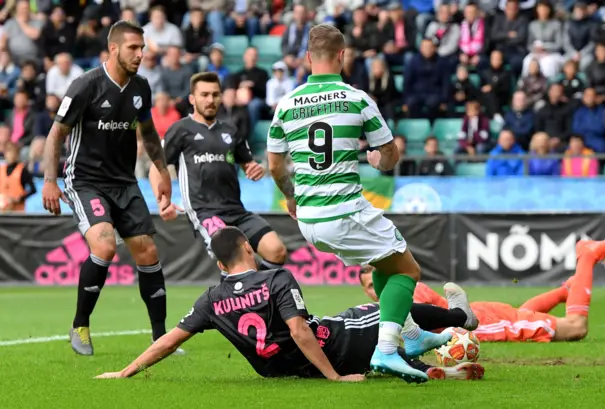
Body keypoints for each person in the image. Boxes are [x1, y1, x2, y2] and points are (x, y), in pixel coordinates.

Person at [266, 24, 470, 384]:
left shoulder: (286, 104)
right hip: (344, 210)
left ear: (308, 58)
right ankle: (387, 351)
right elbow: (390, 154)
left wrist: (291, 197)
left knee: (383, 261)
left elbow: (274, 165)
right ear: (342, 57)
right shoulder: (357, 98)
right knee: (408, 271)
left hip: (309, 217)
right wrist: (379, 162)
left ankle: (410, 333)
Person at [95, 227, 485, 381]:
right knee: (387, 309)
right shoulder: (275, 277)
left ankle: (427, 362)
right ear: (249, 248)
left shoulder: (211, 299)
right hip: (333, 346)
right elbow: (299, 329)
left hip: (282, 370)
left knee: (379, 336)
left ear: (218, 264)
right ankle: (459, 317)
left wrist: (126, 371)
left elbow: (170, 340)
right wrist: (334, 377)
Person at [40, 21, 176, 357]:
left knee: (147, 251)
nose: (141, 54)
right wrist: (49, 180)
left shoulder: (141, 88)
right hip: (85, 181)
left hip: (124, 182)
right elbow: (56, 134)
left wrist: (163, 171)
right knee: (104, 245)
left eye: (142, 48)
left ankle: (160, 338)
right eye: (133, 48)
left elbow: (147, 134)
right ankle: (80, 324)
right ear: (113, 48)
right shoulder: (85, 86)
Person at [149, 72, 288, 280]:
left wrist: (254, 168)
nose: (210, 100)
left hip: (237, 210)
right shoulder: (180, 130)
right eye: (204, 94)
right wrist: (162, 200)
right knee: (235, 259)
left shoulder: (231, 130)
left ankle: (254, 293)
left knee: (277, 251)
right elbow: (155, 166)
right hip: (205, 212)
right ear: (192, 99)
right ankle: (244, 302)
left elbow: (248, 163)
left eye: (215, 94)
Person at [360, 240, 605, 342]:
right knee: (524, 313)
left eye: (376, 282)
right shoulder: (395, 296)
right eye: (370, 287)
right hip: (483, 313)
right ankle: (569, 288)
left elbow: (415, 320)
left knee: (576, 327)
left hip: (483, 323)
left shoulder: (407, 289)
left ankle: (588, 255)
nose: (375, 291)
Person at [0, 141, 36, 212]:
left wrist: (19, 199)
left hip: (17, 212)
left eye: (12, 152)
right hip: (2, 211)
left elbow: (33, 190)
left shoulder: (22, 170)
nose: (10, 155)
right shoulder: (1, 169)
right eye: (8, 151)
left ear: (16, 154)